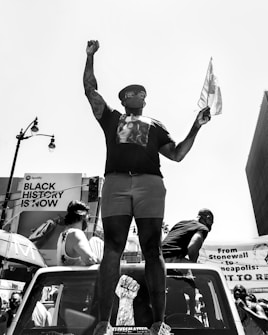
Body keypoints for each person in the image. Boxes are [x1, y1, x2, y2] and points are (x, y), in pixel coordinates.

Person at [83, 39, 211, 335]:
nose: (139, 93)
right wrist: (89, 57)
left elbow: (177, 154)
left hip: (150, 184)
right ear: (124, 98)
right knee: (112, 248)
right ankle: (104, 322)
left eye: (143, 91)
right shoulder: (111, 117)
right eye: (133, 91)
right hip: (115, 181)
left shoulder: (155, 124)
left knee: (152, 249)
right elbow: (90, 90)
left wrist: (197, 125)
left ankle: (158, 322)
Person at [56, 200, 99, 266]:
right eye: (89, 218)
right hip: (76, 276)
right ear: (82, 216)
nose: (88, 222)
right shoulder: (76, 233)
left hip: (65, 275)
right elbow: (90, 259)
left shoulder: (63, 235)